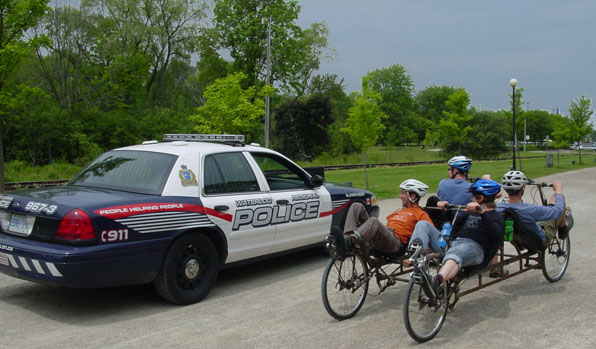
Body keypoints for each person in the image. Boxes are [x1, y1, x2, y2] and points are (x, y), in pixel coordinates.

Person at [407, 179, 505, 299]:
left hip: (475, 249)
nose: (471, 199)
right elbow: (453, 227)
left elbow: (497, 236)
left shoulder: (495, 217)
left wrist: (482, 213)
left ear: (480, 198)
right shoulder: (469, 213)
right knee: (423, 224)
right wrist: (447, 211)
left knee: (456, 251)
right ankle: (413, 256)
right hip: (453, 243)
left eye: (473, 196)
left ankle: (436, 280)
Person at [330, 179, 433, 257]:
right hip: (384, 236)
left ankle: (351, 241)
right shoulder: (400, 210)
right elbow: (387, 226)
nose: (400, 196)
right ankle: (347, 238)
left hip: (395, 243)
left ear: (413, 196)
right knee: (356, 206)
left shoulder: (421, 213)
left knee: (374, 221)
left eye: (403, 193)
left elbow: (428, 231)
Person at [496, 170, 568, 244]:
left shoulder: (497, 207)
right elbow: (558, 211)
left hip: (517, 242)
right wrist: (558, 190)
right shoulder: (530, 209)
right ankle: (562, 229)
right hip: (538, 241)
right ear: (523, 187)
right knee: (558, 197)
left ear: (505, 188)